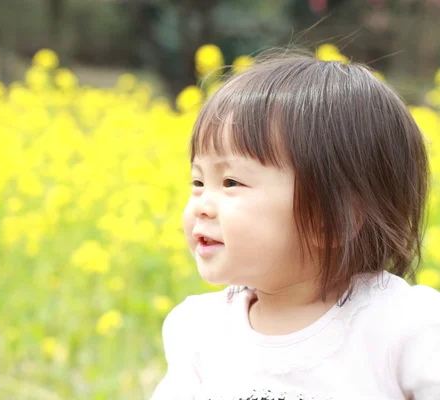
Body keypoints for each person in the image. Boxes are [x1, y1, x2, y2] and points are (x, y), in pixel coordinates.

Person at [149, 52, 440, 399]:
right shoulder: (198, 331)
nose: (202, 206)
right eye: (198, 183)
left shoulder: (405, 327)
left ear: (331, 219)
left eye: (230, 183)